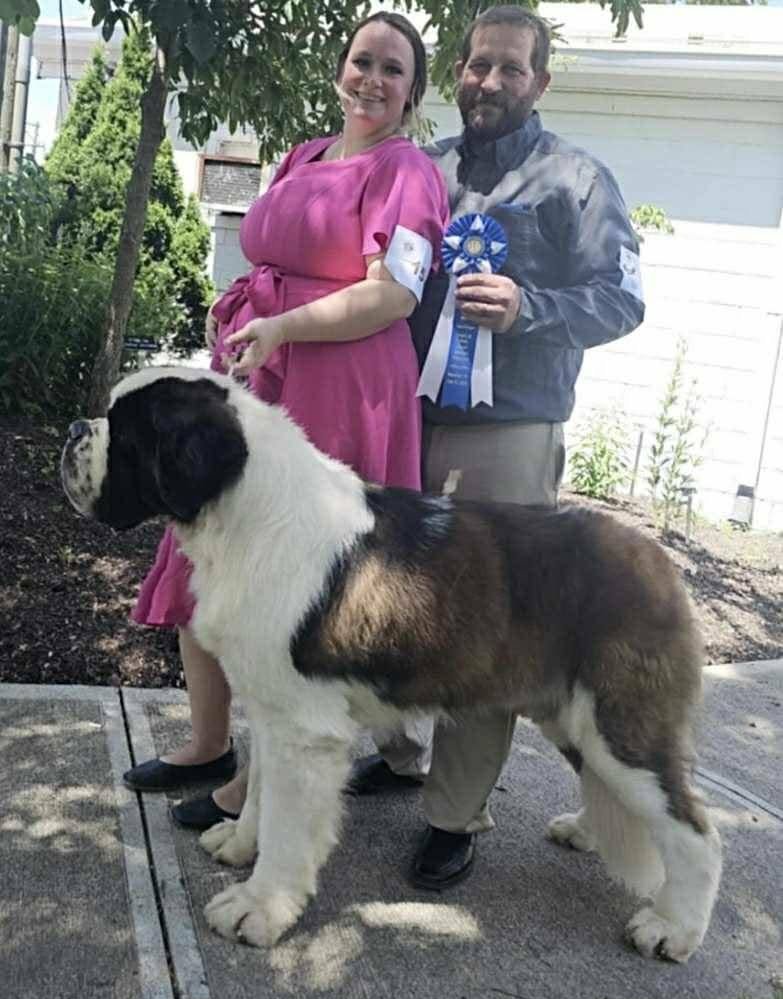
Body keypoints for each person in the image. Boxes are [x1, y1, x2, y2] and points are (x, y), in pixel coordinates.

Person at [123, 11, 449, 829]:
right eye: (361, 61)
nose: (372, 79)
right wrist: (236, 312)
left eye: (393, 70)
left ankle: (254, 792)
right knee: (201, 550)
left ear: (412, 94)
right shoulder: (305, 154)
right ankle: (207, 743)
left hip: (341, 389)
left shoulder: (406, 170)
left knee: (292, 592)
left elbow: (393, 295)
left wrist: (284, 326)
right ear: (340, 68)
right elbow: (270, 257)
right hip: (260, 373)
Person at [347, 4, 646, 890]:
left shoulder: (578, 181)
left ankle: (453, 812)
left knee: (484, 632)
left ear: (539, 82)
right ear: (459, 71)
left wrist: (530, 309)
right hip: (402, 425)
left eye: (511, 69)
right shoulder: (421, 168)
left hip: (509, 435)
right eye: (478, 65)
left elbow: (621, 301)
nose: (490, 81)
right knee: (380, 605)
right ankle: (399, 756)